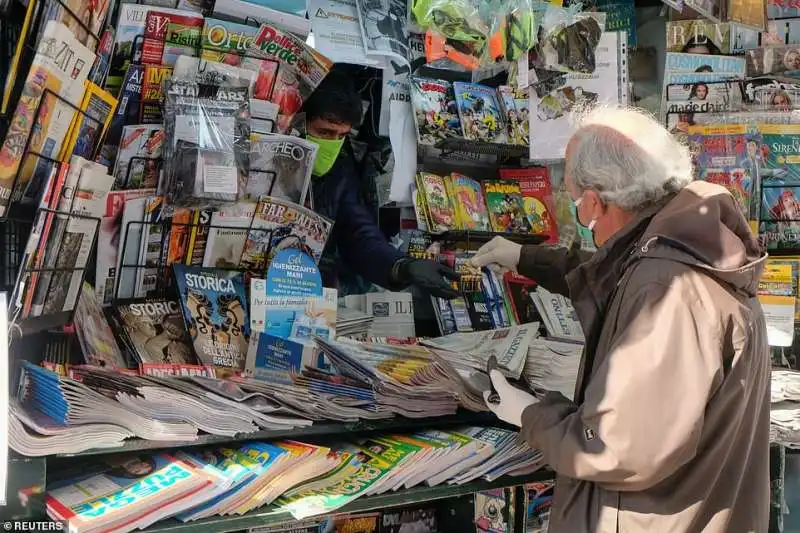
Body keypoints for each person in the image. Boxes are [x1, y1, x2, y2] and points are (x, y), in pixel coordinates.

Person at [470, 106, 770, 533]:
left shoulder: (668, 289)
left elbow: (615, 447)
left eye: (574, 198)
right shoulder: (685, 246)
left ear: (595, 200)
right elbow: (609, 269)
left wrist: (531, 414)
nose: (577, 210)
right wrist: (523, 256)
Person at [301, 69, 459, 299]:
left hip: (308, 291)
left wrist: (401, 267)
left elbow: (359, 231)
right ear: (299, 121)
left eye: (341, 136)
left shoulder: (340, 168)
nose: (333, 144)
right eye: (324, 132)